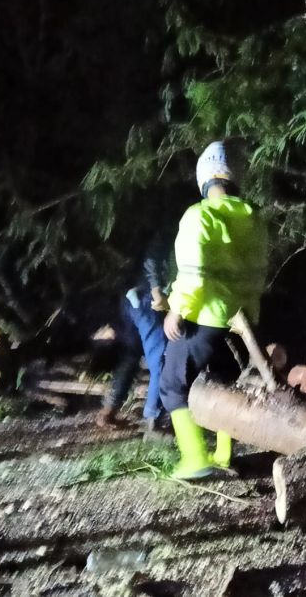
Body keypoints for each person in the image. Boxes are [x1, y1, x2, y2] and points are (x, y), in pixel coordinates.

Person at [158, 141, 268, 480]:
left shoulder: (199, 216)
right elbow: (258, 274)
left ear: (204, 179)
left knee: (173, 385)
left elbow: (193, 272)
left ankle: (195, 459)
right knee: (225, 385)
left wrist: (177, 309)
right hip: (241, 323)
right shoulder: (254, 222)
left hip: (204, 318)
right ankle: (223, 455)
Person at [97, 230, 173, 433]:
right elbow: (152, 258)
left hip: (134, 299)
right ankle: (154, 420)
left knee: (131, 355)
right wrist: (157, 291)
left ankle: (108, 412)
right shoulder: (174, 231)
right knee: (161, 358)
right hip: (147, 301)